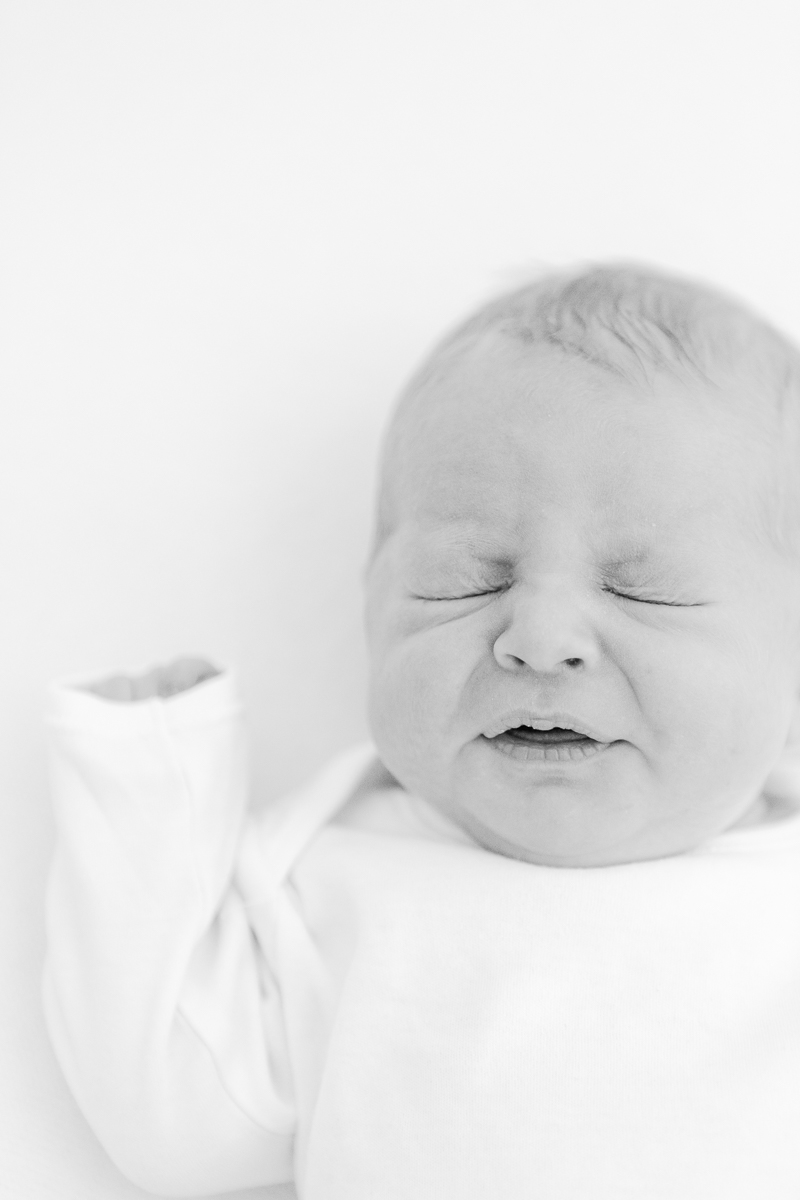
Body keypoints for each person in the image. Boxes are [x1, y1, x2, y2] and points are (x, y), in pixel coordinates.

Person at [43, 263, 800, 1199]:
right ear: (371, 613)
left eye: (645, 588)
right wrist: (149, 799)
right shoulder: (342, 874)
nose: (539, 638)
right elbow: (189, 1135)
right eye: (464, 579)